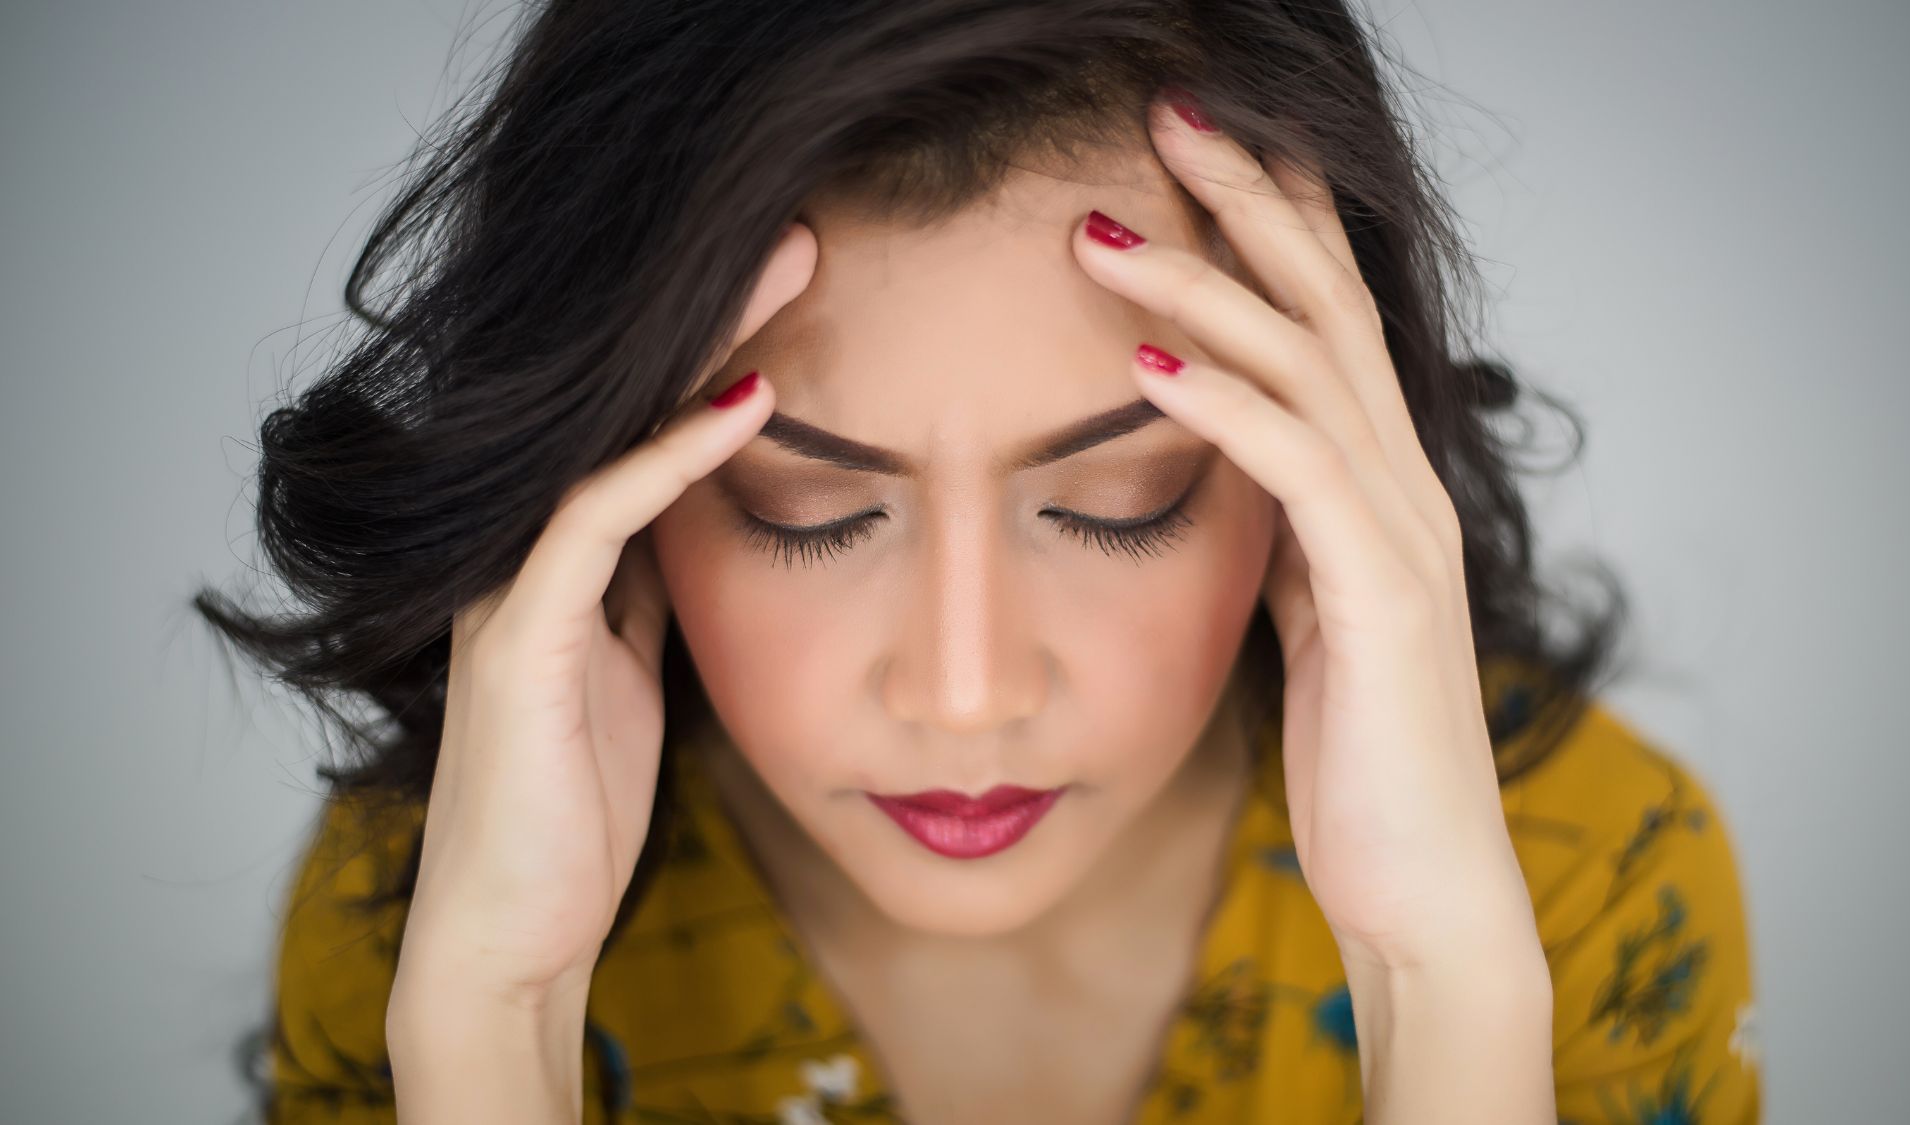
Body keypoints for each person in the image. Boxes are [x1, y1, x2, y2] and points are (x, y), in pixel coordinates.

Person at [196, 1, 1760, 1122]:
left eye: (1122, 497)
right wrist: (490, 1027)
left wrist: (1445, 990)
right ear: (601, 488)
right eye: (805, 506)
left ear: (1322, 470)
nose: (963, 689)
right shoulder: (432, 918)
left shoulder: (1580, 878)